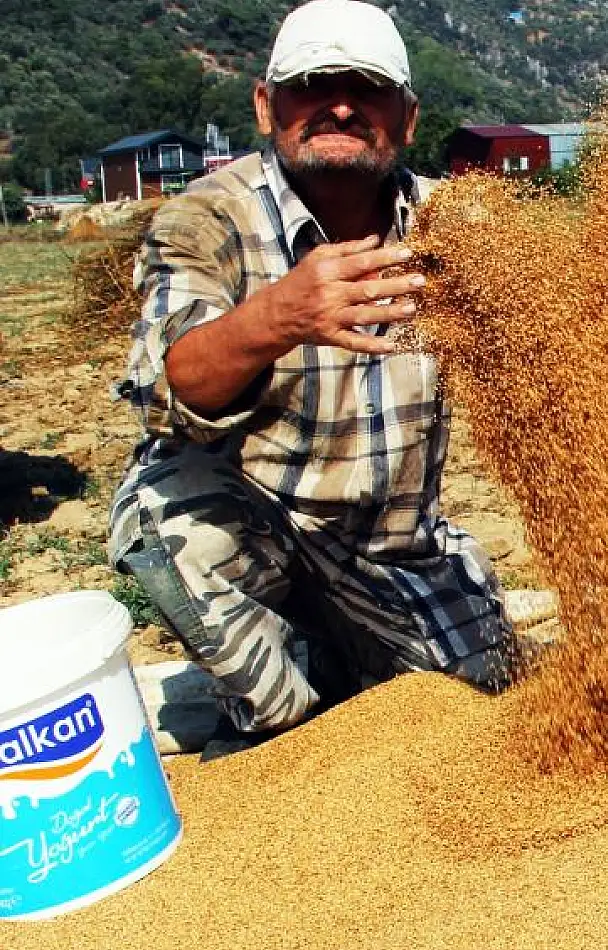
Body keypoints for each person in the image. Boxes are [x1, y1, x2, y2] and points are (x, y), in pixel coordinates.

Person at [108, 0, 519, 745]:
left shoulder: (458, 225)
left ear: (407, 116)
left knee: (486, 691)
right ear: (268, 106)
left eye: (366, 88)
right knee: (181, 532)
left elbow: (541, 341)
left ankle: (341, 653)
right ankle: (281, 704)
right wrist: (277, 316)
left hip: (392, 545)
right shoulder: (205, 219)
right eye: (312, 85)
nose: (339, 105)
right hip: (256, 529)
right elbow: (173, 391)